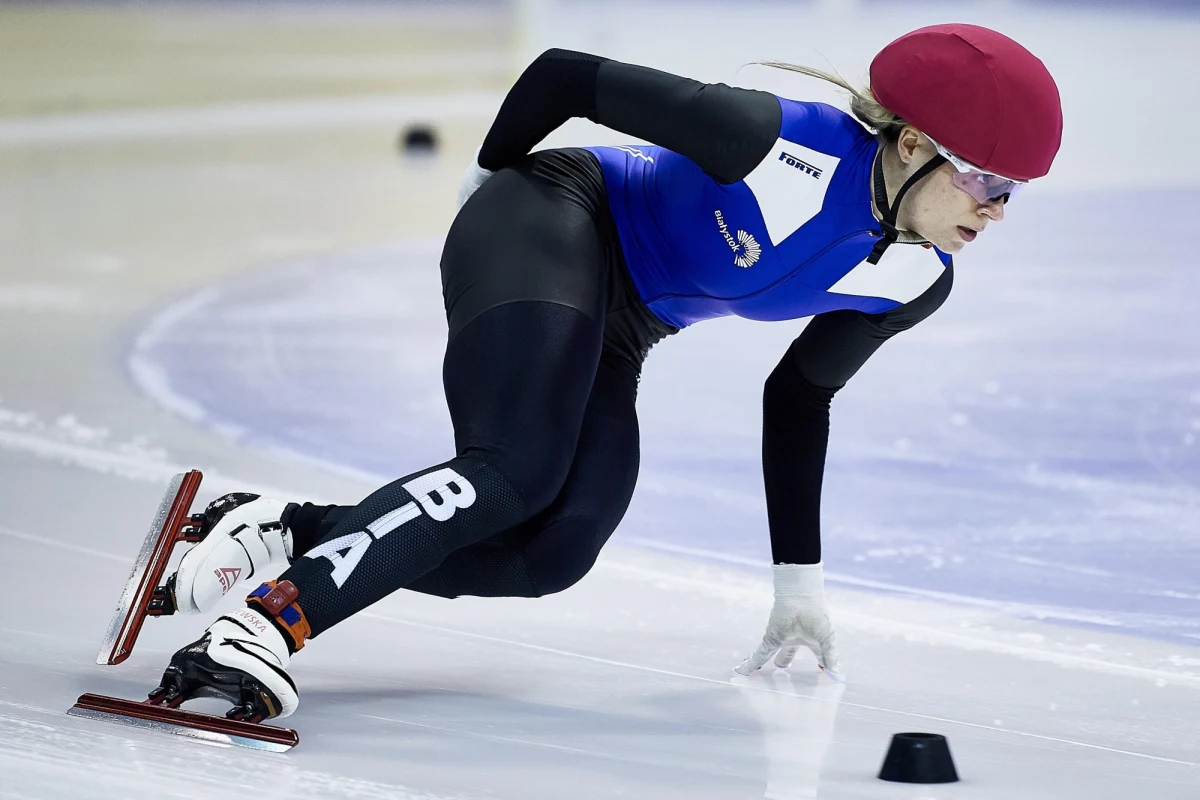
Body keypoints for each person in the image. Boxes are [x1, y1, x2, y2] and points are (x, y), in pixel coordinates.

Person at [149, 23, 1063, 722]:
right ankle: (267, 623)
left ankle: (277, 528)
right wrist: (485, 186)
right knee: (512, 471)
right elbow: (563, 76)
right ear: (911, 146)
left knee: (552, 553)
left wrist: (798, 588)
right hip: (552, 217)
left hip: (627, 322)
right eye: (986, 180)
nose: (997, 211)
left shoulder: (913, 278)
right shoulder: (770, 140)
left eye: (1014, 192)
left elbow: (800, 396)